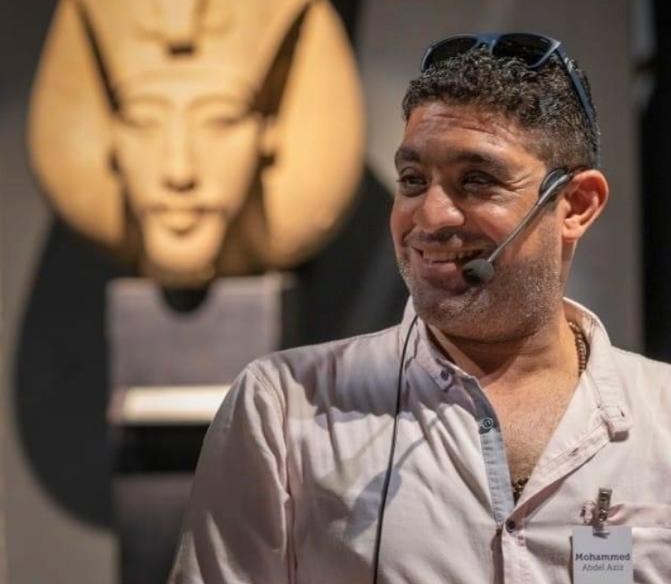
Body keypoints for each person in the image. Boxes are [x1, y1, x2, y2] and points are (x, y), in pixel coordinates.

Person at [169, 33, 671, 584]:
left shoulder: (663, 416)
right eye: (412, 180)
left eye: (477, 181)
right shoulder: (285, 409)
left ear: (575, 205)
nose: (430, 217)